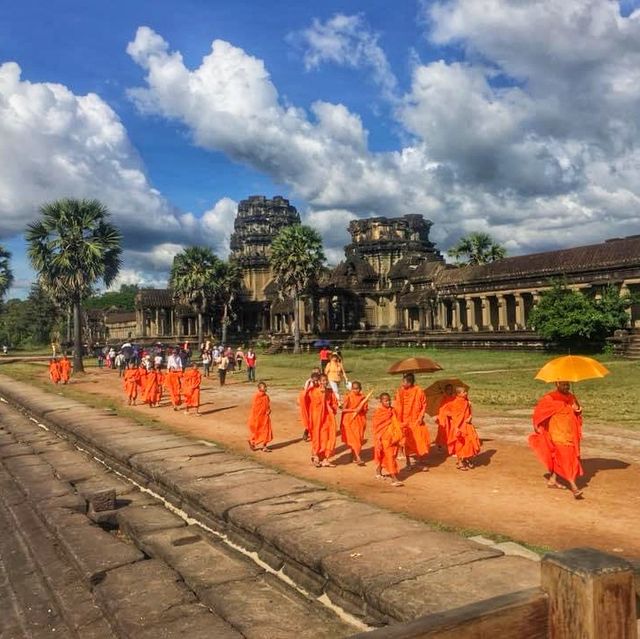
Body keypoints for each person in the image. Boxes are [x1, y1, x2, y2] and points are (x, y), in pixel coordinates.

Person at [529, 381, 584, 499]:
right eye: (563, 385)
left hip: (570, 434)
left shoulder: (571, 397)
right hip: (557, 433)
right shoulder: (550, 398)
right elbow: (539, 412)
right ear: (557, 384)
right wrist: (537, 426)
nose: (566, 387)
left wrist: (578, 410)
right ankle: (574, 486)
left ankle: (552, 480)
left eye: (567, 385)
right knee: (566, 459)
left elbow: (576, 412)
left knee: (561, 457)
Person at [394, 372, 430, 468]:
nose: (402, 384)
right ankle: (408, 462)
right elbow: (397, 405)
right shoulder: (400, 391)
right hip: (404, 420)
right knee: (406, 440)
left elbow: (423, 405)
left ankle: (420, 460)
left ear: (410, 383)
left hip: (416, 420)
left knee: (419, 440)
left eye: (404, 382)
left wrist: (421, 417)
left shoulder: (419, 391)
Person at [441, 386, 481, 470]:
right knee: (460, 444)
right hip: (458, 426)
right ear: (459, 394)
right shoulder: (455, 402)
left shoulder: (466, 402)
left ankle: (467, 459)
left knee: (470, 441)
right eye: (464, 392)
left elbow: (469, 413)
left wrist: (470, 416)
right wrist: (456, 426)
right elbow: (452, 414)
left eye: (466, 392)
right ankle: (460, 462)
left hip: (467, 425)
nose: (466, 393)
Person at [304, 373, 338, 467]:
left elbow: (333, 403)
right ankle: (316, 456)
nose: (325, 382)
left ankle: (325, 459)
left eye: (326, 380)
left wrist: (332, 408)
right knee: (317, 437)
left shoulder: (330, 392)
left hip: (327, 418)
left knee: (328, 437)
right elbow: (307, 401)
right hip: (317, 419)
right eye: (323, 380)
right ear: (319, 382)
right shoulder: (313, 391)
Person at [372, 393, 403, 486]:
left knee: (386, 455)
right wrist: (379, 438)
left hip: (392, 437)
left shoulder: (393, 410)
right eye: (385, 400)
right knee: (390, 457)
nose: (388, 402)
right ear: (381, 402)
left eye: (389, 400)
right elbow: (376, 425)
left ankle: (378, 472)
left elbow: (397, 422)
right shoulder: (379, 412)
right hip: (384, 438)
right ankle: (394, 478)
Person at [339, 381, 369, 465]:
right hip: (349, 420)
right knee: (355, 440)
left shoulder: (363, 398)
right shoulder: (348, 396)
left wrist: (362, 408)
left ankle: (352, 455)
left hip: (360, 420)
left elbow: (365, 410)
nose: (355, 390)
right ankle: (358, 457)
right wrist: (354, 410)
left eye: (357, 389)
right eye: (354, 389)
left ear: (360, 389)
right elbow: (343, 409)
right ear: (351, 389)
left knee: (358, 438)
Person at [248, 381, 273, 452]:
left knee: (267, 431)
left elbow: (267, 405)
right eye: (264, 387)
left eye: (266, 387)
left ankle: (264, 446)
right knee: (258, 431)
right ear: (259, 388)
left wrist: (269, 410)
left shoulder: (266, 396)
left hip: (265, 417)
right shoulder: (257, 396)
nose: (265, 388)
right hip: (258, 417)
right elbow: (255, 407)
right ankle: (252, 442)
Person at [435, 383, 456, 453]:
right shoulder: (443, 398)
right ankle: (439, 446)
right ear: (445, 390)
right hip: (444, 419)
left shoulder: (454, 398)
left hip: (452, 418)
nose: (450, 391)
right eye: (448, 389)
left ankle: (452, 448)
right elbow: (442, 409)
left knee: (452, 432)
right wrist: (447, 414)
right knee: (442, 432)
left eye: (451, 389)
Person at [299, 371, 320, 441]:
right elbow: (304, 395)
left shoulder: (321, 386)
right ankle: (307, 432)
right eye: (314, 381)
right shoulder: (309, 386)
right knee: (310, 421)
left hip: (318, 407)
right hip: (310, 407)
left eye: (317, 380)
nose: (315, 382)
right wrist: (308, 385)